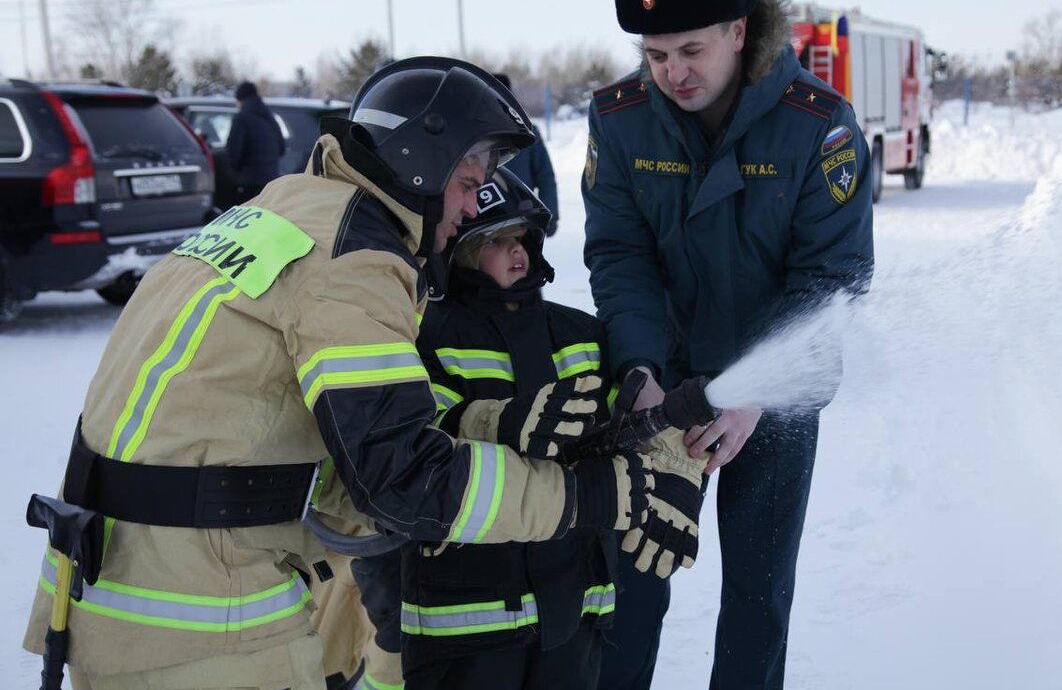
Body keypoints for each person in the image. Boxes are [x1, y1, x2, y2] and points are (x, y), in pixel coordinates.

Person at [23, 56, 653, 690]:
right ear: (422, 162)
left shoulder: (284, 211)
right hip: (201, 620)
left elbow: (303, 442)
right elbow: (403, 482)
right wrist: (590, 496)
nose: (471, 205)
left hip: (123, 587)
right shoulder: (353, 260)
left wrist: (487, 423)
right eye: (468, 181)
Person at [582, 0, 875, 689]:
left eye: (691, 50)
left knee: (757, 594)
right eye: (655, 55)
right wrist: (638, 368)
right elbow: (620, 255)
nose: (672, 73)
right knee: (628, 589)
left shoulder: (819, 125)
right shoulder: (619, 120)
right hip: (660, 385)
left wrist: (747, 396)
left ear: (740, 31)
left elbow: (831, 280)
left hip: (771, 405)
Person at [347, 167, 709, 690]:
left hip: (577, 601)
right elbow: (418, 434)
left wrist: (676, 469)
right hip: (468, 616)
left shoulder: (580, 332)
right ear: (459, 252)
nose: (517, 251)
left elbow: (632, 417)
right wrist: (502, 422)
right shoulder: (428, 333)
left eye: (522, 238)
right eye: (497, 240)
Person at [492, 73, 559, 235]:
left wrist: (550, 215)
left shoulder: (527, 133)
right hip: (483, 220)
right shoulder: (472, 135)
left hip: (521, 218)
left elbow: (545, 177)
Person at [226, 80, 285, 204]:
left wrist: (236, 172)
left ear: (240, 99)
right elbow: (281, 148)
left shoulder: (241, 119)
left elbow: (233, 153)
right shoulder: (270, 118)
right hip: (271, 184)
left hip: (248, 184)